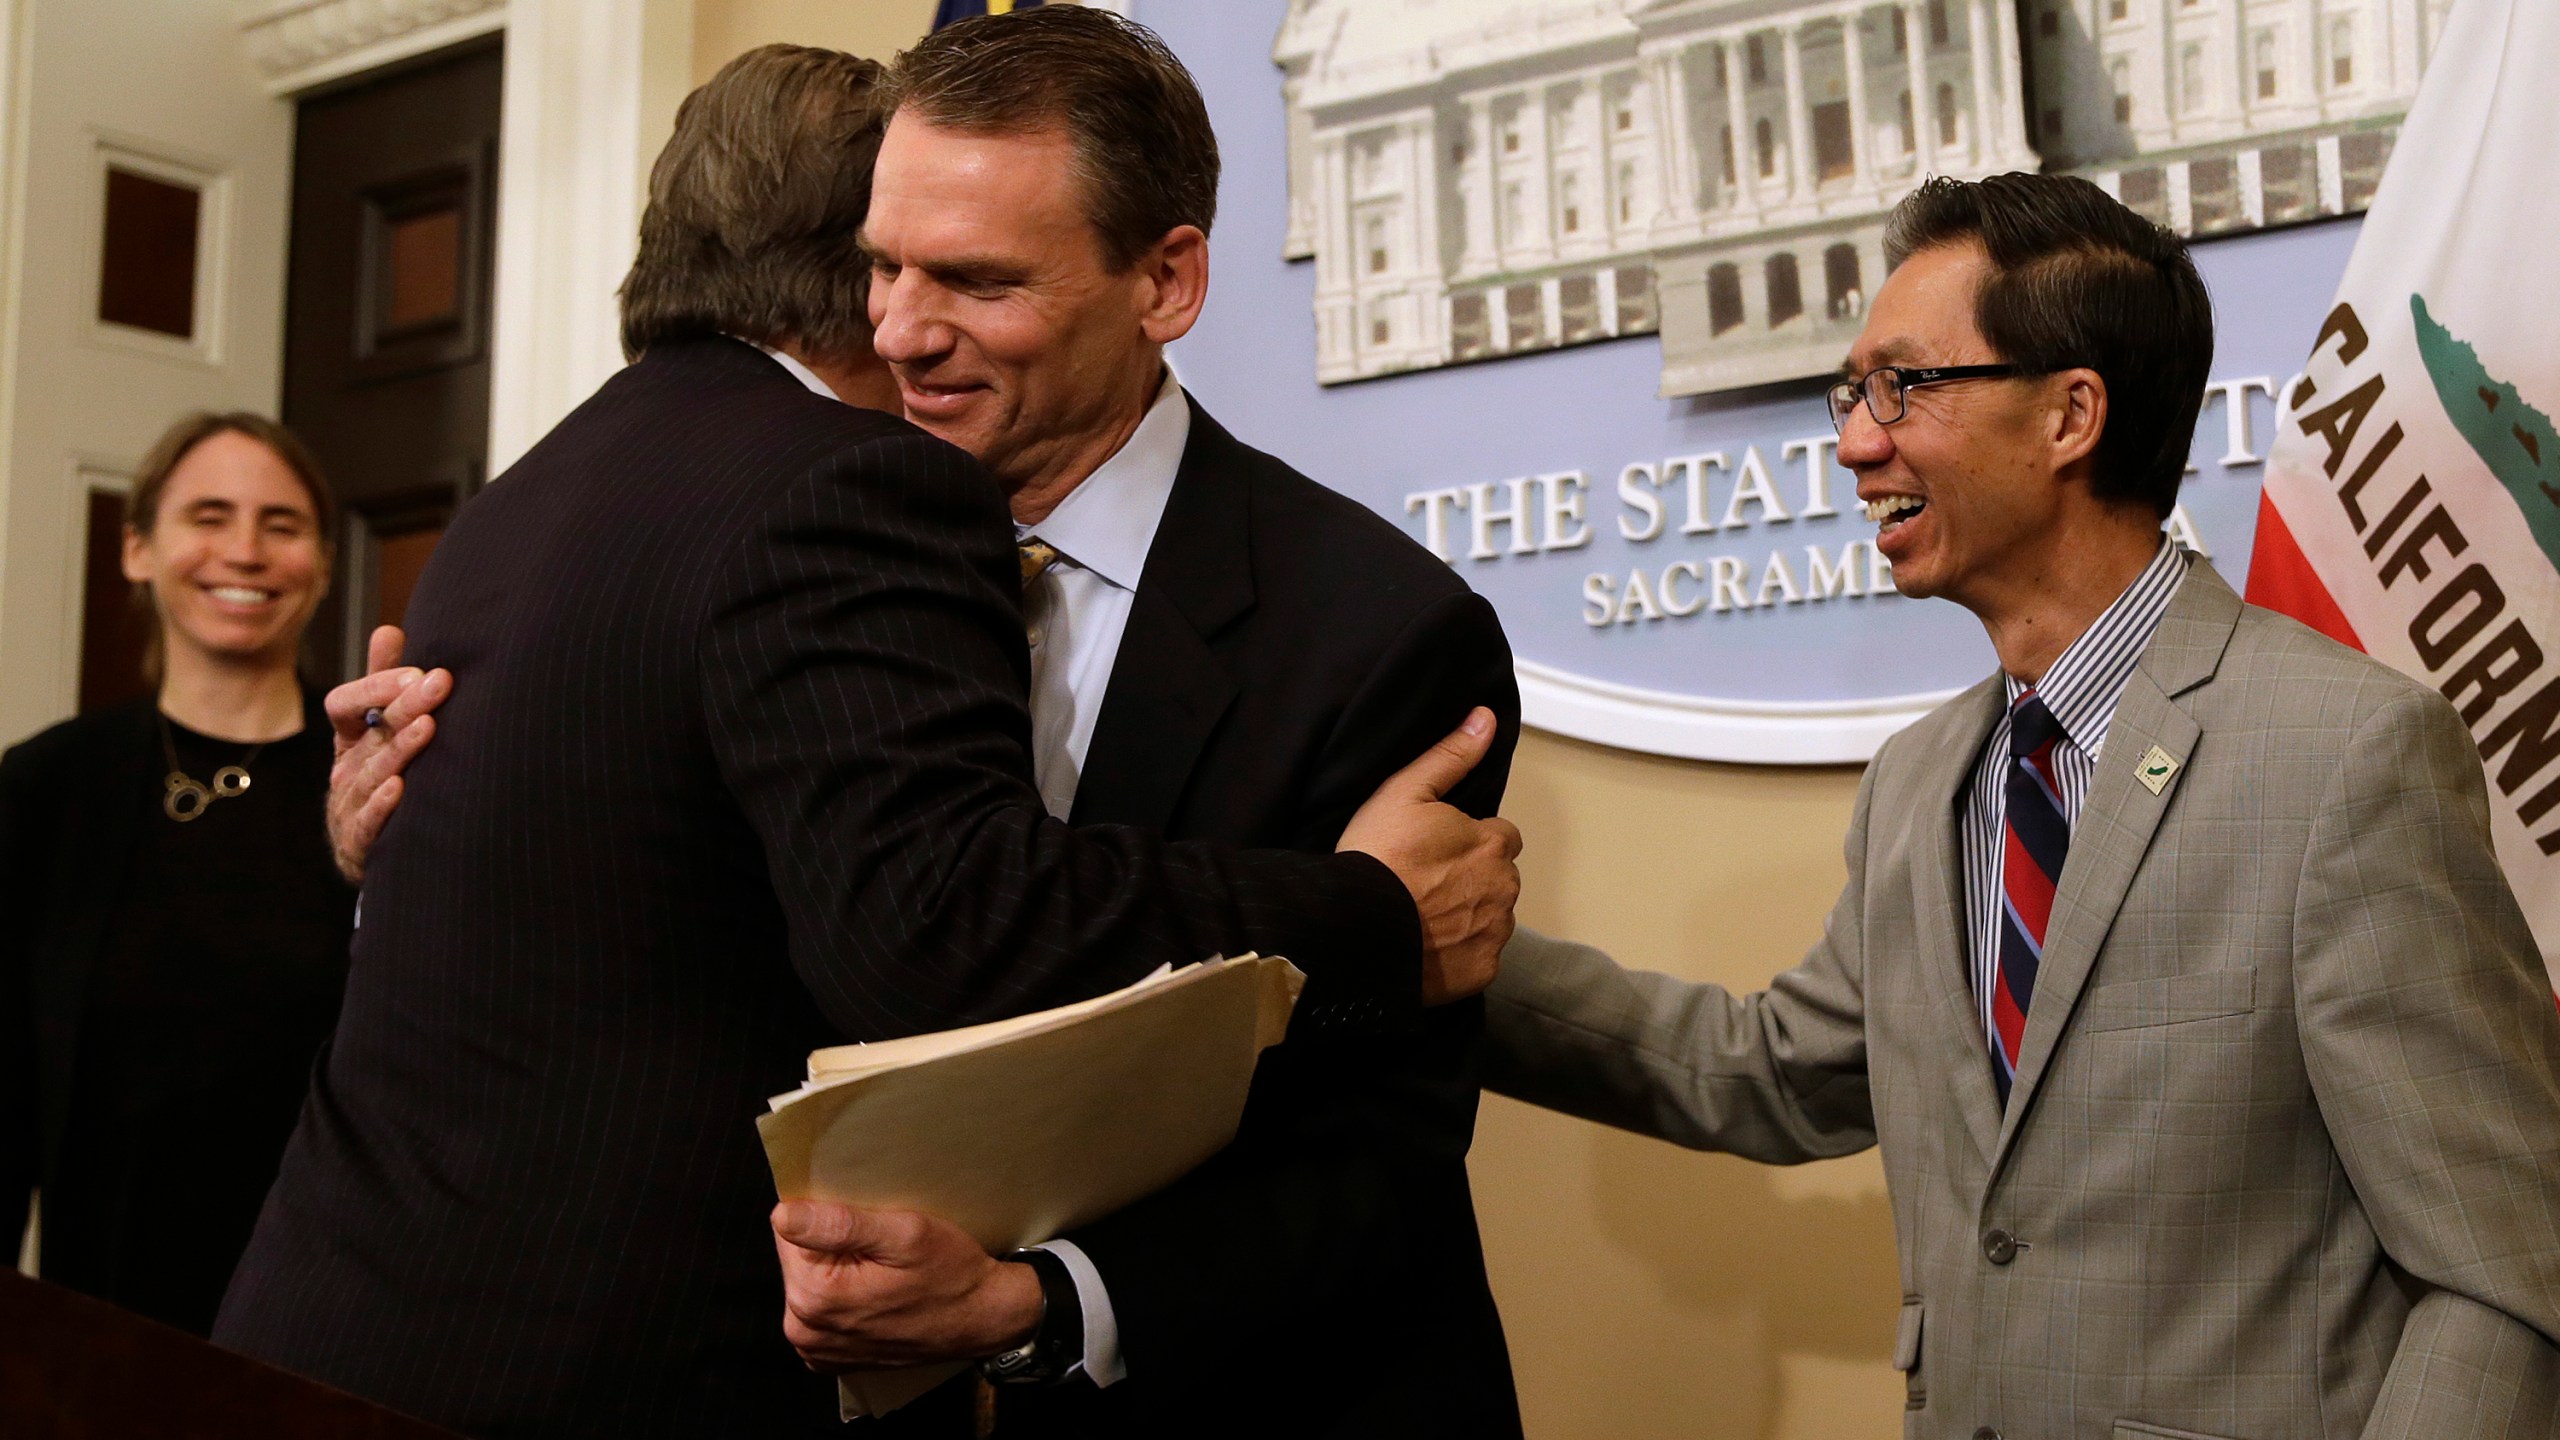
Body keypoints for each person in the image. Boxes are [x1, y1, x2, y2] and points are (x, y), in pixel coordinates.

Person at [212, 44, 1517, 1440]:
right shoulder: (789, 504)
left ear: (1166, 281)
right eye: (880, 267)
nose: (896, 329)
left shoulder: (1379, 630)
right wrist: (401, 839)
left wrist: (1047, 1303)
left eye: (977, 281)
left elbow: (1382, 1145)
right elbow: (831, 917)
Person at [1483, 174, 2560, 1438]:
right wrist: (1419, 948)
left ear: (2069, 415)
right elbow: (1767, 1075)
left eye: (1903, 386)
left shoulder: (2345, 758)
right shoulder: (1916, 787)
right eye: (1850, 394)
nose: (1853, 441)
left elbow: (2501, 1277)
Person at [0, 412, 353, 1338]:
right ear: (137, 551)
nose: (245, 551)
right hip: (105, 1317)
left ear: (320, 564)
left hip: (335, 1312)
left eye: (281, 525)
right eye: (208, 515)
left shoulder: (379, 782)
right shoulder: (44, 786)